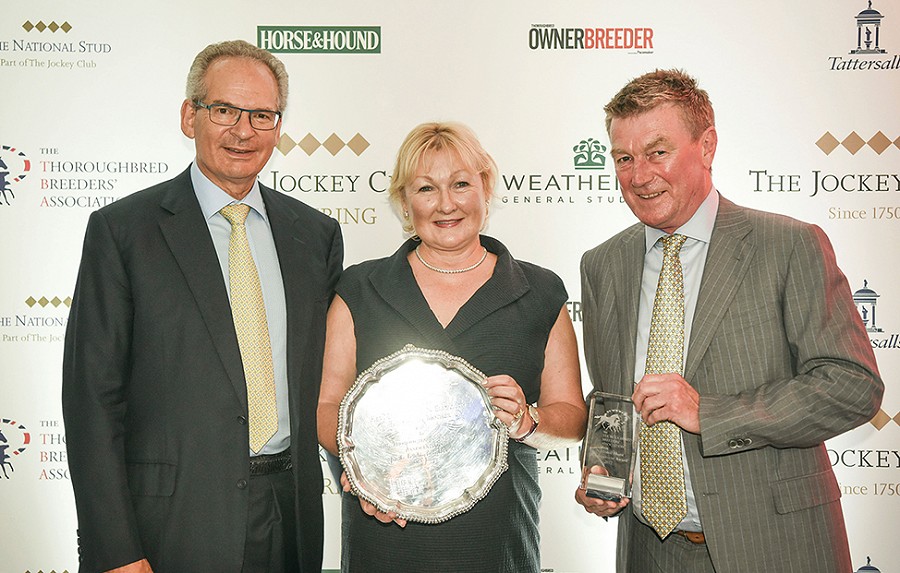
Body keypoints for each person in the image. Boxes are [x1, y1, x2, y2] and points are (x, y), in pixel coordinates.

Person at [575, 69, 883, 573]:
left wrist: (710, 413)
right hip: (649, 552)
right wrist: (603, 468)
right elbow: (610, 396)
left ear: (707, 146)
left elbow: (853, 387)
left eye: (658, 152)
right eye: (623, 158)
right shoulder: (602, 264)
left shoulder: (788, 245)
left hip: (774, 547)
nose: (638, 175)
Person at [62, 40, 343, 573]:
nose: (243, 131)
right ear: (190, 116)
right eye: (225, 111)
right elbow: (91, 401)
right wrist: (115, 549)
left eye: (262, 114)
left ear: (278, 126)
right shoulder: (123, 232)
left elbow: (331, 383)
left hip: (291, 514)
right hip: (169, 525)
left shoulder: (316, 236)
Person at [317, 121, 587, 573]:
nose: (446, 204)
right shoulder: (361, 288)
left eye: (461, 184)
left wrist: (528, 420)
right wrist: (365, 475)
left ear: (485, 187)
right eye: (426, 188)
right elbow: (328, 403)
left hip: (498, 539)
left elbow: (572, 415)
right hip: (385, 530)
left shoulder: (538, 291)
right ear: (404, 201)